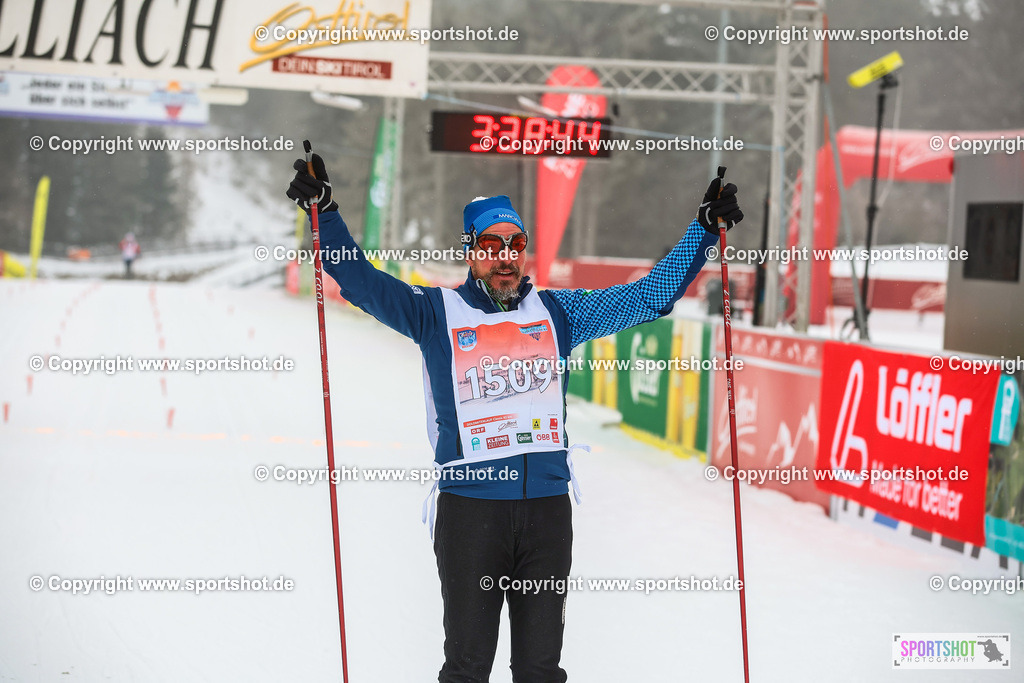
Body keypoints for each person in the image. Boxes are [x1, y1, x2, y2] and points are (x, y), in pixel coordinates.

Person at [286, 154, 743, 682]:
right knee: (467, 667)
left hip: (546, 515)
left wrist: (702, 231)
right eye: (490, 246)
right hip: (471, 516)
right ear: (470, 252)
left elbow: (649, 297)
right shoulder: (434, 313)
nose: (505, 258)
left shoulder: (558, 313)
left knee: (540, 669)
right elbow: (361, 281)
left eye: (515, 245)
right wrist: (325, 214)